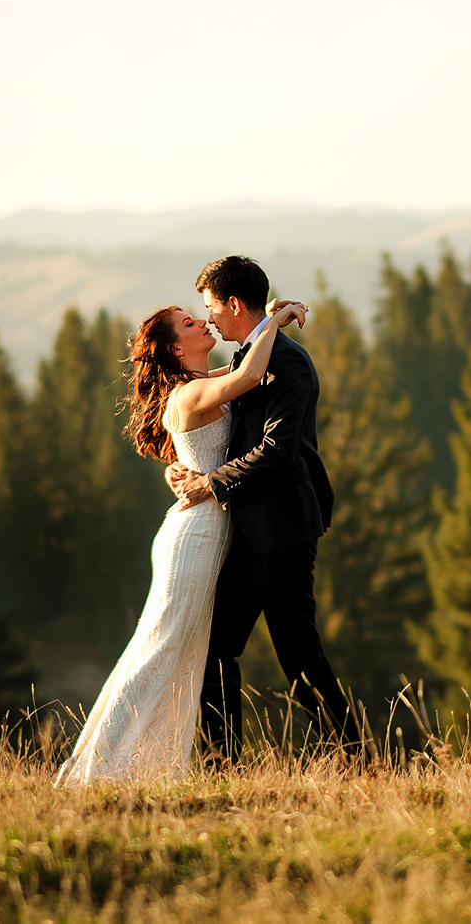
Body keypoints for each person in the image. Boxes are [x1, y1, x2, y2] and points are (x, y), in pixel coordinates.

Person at [55, 296, 306, 784]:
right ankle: (98, 769)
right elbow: (250, 376)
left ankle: (141, 766)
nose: (203, 321)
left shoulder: (200, 384)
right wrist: (274, 318)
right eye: (189, 323)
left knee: (183, 650)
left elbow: (236, 388)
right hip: (193, 537)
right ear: (174, 350)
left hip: (206, 528)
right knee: (162, 647)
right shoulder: (187, 394)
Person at [168, 255, 354, 765]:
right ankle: (222, 763)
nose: (209, 319)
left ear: (234, 304)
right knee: (216, 649)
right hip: (250, 532)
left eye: (211, 308)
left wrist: (209, 483)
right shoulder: (252, 356)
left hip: (284, 529)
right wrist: (184, 468)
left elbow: (277, 452)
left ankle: (357, 758)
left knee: (298, 656)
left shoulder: (287, 364)